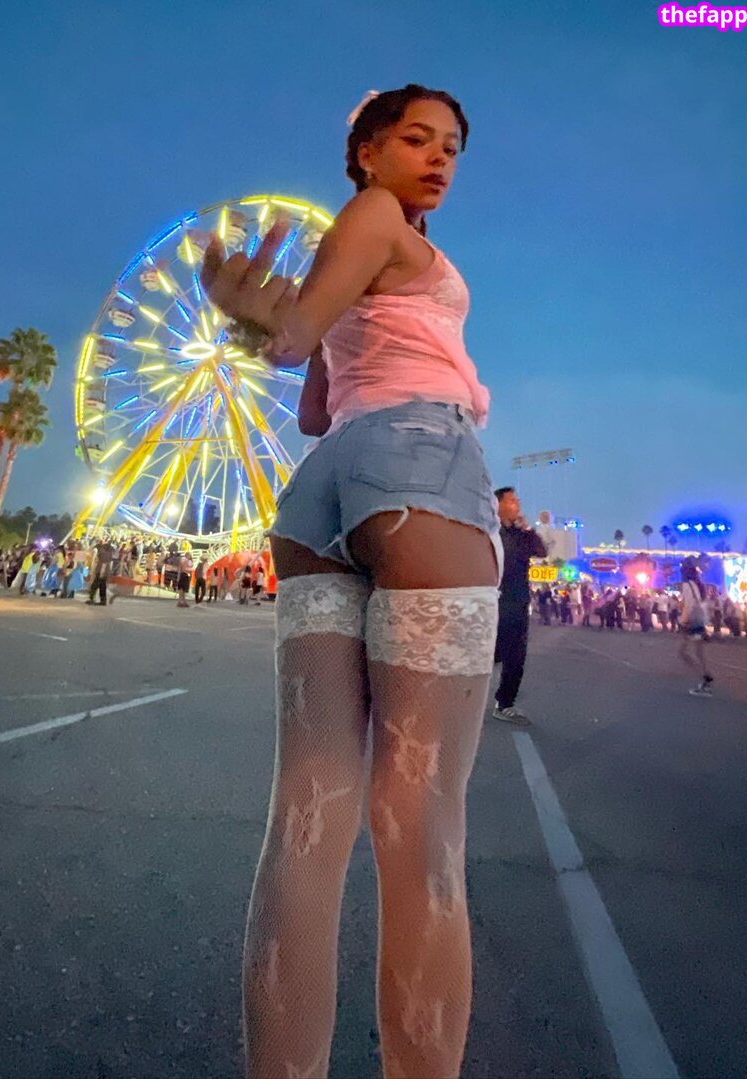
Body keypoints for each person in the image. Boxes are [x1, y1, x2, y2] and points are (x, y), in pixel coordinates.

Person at [202, 84, 499, 1078]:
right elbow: (298, 336)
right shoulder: (378, 218)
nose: (439, 157)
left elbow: (313, 406)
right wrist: (276, 320)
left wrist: (269, 316)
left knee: (306, 814)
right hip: (420, 467)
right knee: (422, 825)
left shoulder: (358, 246)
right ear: (367, 151)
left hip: (324, 495)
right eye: (417, 138)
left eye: (452, 146)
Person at [491, 487, 547, 725]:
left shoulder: (521, 534)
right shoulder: (489, 532)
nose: (518, 504)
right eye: (512, 500)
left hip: (518, 602)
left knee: (515, 657)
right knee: (489, 653)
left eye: (517, 500)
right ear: (498, 504)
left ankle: (505, 704)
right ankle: (459, 696)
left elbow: (541, 551)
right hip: (494, 601)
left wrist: (527, 528)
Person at [677, 561, 714, 695]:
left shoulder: (687, 585)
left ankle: (704, 678)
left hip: (692, 621)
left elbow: (689, 605)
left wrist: (683, 621)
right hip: (700, 619)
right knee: (699, 652)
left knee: (682, 652)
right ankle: (705, 676)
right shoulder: (699, 584)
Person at [87, 537, 115, 606]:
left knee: (96, 585)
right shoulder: (109, 554)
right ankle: (102, 600)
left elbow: (102, 559)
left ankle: (93, 599)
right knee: (101, 586)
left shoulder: (103, 554)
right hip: (104, 571)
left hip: (102, 571)